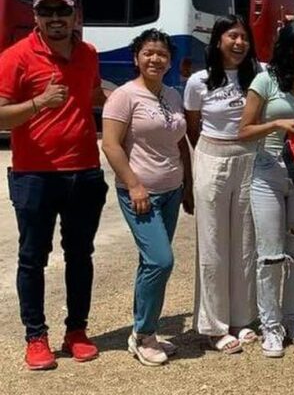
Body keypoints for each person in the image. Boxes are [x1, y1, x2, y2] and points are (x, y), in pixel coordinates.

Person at [0, 0, 108, 370]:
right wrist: (39, 103)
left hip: (84, 171)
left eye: (62, 11)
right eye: (47, 12)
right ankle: (36, 337)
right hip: (35, 176)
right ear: (36, 17)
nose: (55, 19)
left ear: (74, 15)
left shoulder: (89, 54)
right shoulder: (16, 58)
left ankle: (76, 331)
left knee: (81, 256)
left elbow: (95, 96)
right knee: (32, 259)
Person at [101, 29, 193, 367]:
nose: (155, 59)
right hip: (139, 193)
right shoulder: (124, 96)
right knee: (161, 261)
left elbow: (180, 141)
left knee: (150, 263)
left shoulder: (172, 94)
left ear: (169, 60)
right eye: (148, 53)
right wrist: (134, 184)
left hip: (171, 189)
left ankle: (146, 332)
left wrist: (188, 183)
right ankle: (142, 334)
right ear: (136, 57)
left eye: (162, 54)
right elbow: (110, 144)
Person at [238, 19, 294, 358]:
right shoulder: (265, 80)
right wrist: (276, 123)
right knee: (271, 254)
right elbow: (243, 131)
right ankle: (271, 327)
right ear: (286, 49)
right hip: (268, 171)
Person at [184, 16, 261, 354]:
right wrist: (208, 155)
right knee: (213, 244)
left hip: (249, 158)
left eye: (244, 37)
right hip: (211, 157)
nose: (239, 43)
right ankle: (214, 325)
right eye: (233, 36)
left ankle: (243, 319)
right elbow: (192, 125)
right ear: (218, 41)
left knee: (245, 243)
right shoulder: (198, 82)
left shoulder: (258, 77)